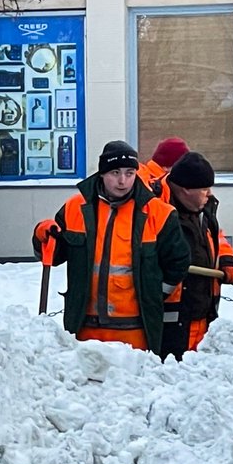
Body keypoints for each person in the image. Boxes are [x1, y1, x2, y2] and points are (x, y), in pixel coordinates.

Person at [33, 140, 190, 357]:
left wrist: (154, 294)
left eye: (129, 172)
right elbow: (54, 253)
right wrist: (41, 234)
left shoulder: (158, 213)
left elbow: (178, 261)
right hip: (85, 328)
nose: (122, 181)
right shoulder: (75, 208)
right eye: (115, 172)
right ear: (102, 174)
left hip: (136, 330)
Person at [157, 151, 233, 359]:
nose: (209, 193)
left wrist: (227, 261)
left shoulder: (204, 209)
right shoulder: (157, 209)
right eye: (204, 188)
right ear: (185, 190)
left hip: (203, 314)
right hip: (170, 320)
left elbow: (216, 238)